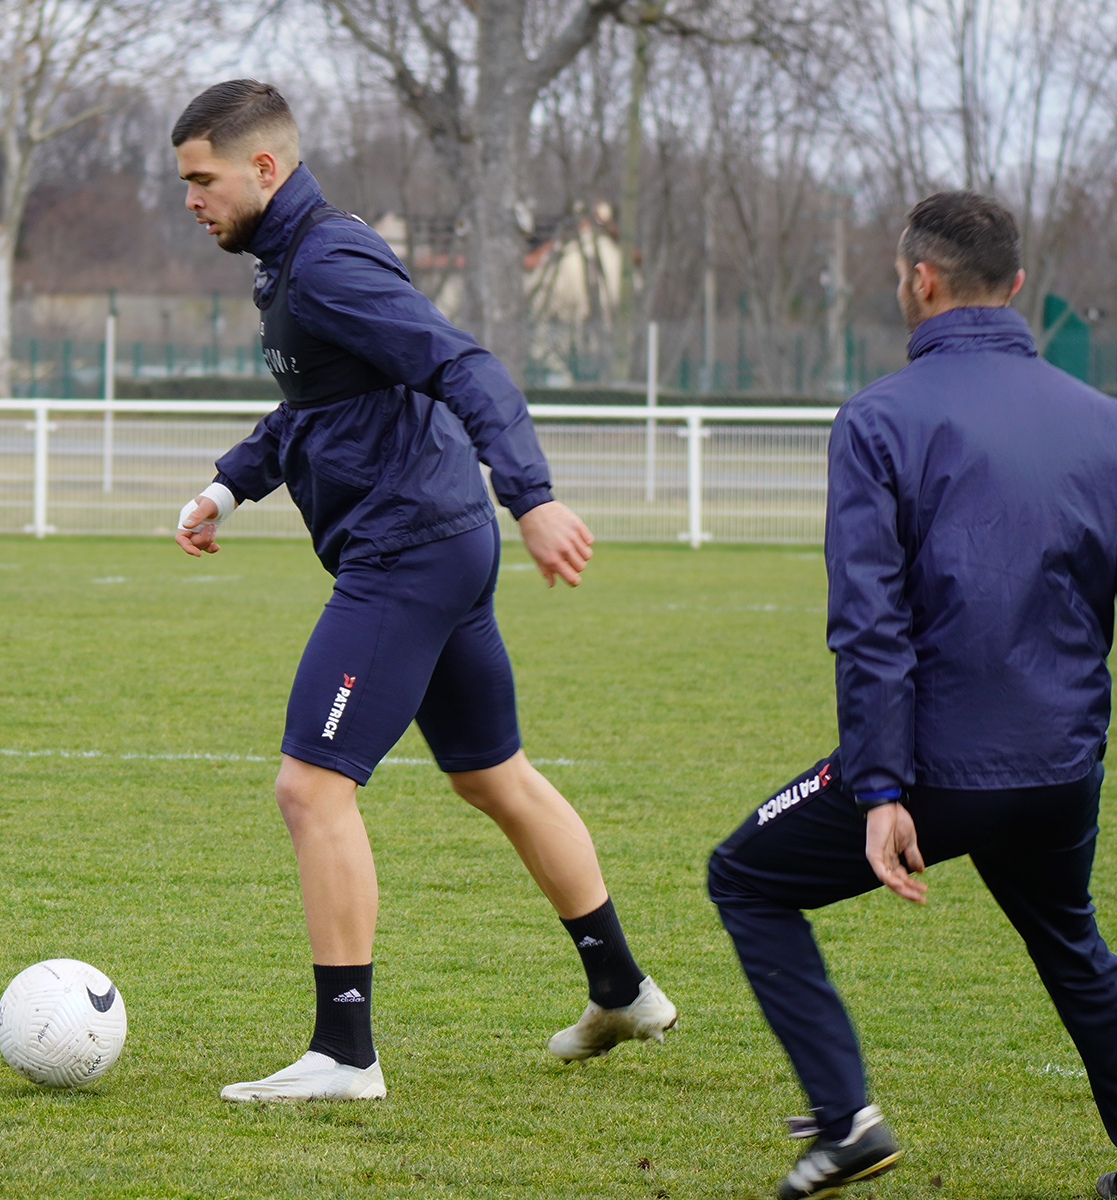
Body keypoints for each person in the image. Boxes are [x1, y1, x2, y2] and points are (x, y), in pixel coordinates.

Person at [168, 79, 677, 1103]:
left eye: (202, 178)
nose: (191, 198)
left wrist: (530, 495)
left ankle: (344, 1052)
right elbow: (318, 408)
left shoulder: (326, 264)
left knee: (311, 786)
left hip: (407, 551)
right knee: (494, 776)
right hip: (440, 540)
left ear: (263, 167)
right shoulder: (295, 259)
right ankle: (621, 989)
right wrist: (231, 482)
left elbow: (462, 364)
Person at [707, 190, 1117, 1200]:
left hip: (939, 770)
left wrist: (881, 788)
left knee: (746, 877)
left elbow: (868, 625)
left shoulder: (879, 418)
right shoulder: (1108, 424)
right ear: (1017, 287)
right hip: (1062, 767)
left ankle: (846, 1115)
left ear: (918, 280)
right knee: (1072, 943)